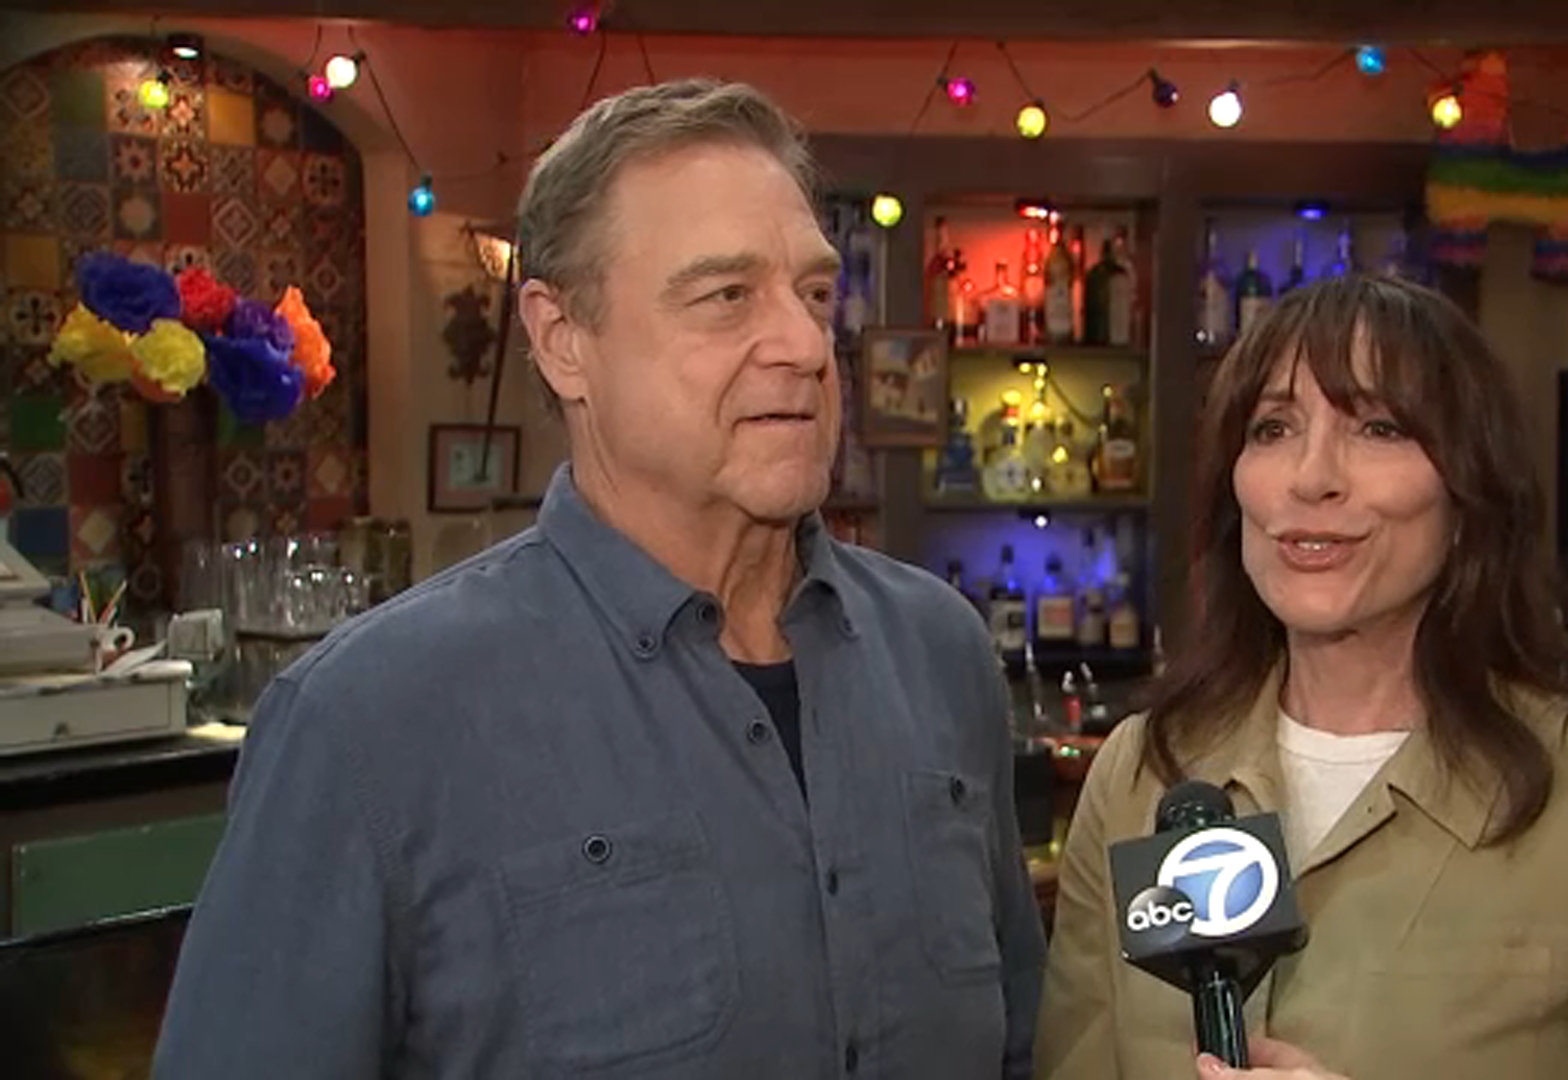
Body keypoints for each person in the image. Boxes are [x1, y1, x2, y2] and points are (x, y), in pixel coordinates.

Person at [155, 79, 1045, 1078]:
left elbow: (1020, 1045)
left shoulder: (941, 654)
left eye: (814, 294)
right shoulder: (368, 721)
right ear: (562, 339)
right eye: (726, 296)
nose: (806, 346)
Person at [1033, 274, 1568, 1080]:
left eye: (1378, 427)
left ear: (1469, 490)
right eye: (1273, 428)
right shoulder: (1140, 775)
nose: (1312, 476)